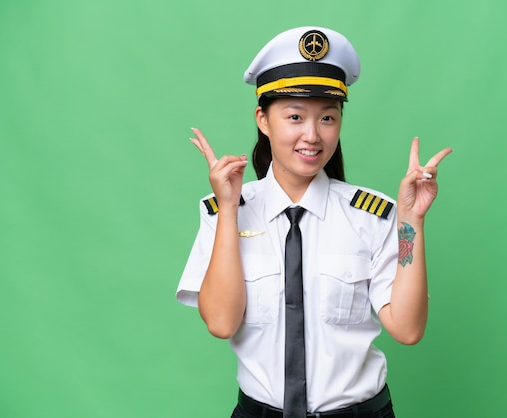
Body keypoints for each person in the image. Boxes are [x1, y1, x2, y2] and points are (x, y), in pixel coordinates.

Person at [176, 26, 452, 418]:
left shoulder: (370, 216)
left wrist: (410, 223)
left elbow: (407, 330)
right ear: (263, 120)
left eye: (327, 117)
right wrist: (229, 209)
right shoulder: (224, 211)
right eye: (294, 116)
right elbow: (221, 322)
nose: (312, 135)